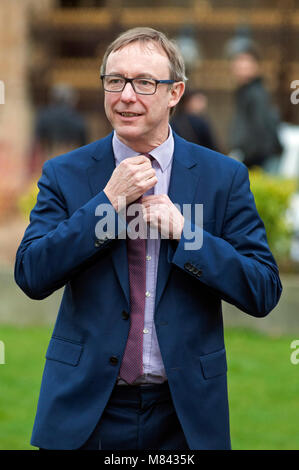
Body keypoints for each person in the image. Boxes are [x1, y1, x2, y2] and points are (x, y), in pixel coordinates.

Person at [15, 27, 282, 451]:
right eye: (114, 80)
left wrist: (186, 234)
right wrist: (107, 204)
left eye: (144, 82)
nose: (125, 96)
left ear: (175, 92)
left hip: (185, 414)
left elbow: (262, 289)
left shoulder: (222, 178)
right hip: (87, 412)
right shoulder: (65, 174)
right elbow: (31, 274)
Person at [228, 43, 283, 171]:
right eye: (238, 62)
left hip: (259, 160)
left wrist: (244, 153)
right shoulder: (244, 92)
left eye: (245, 62)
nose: (240, 67)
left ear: (256, 66)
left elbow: (261, 128)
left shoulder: (256, 93)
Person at [28, 83, 88, 177]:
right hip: (69, 163)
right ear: (71, 101)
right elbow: (85, 148)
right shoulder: (77, 119)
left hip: (48, 159)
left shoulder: (44, 116)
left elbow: (37, 144)